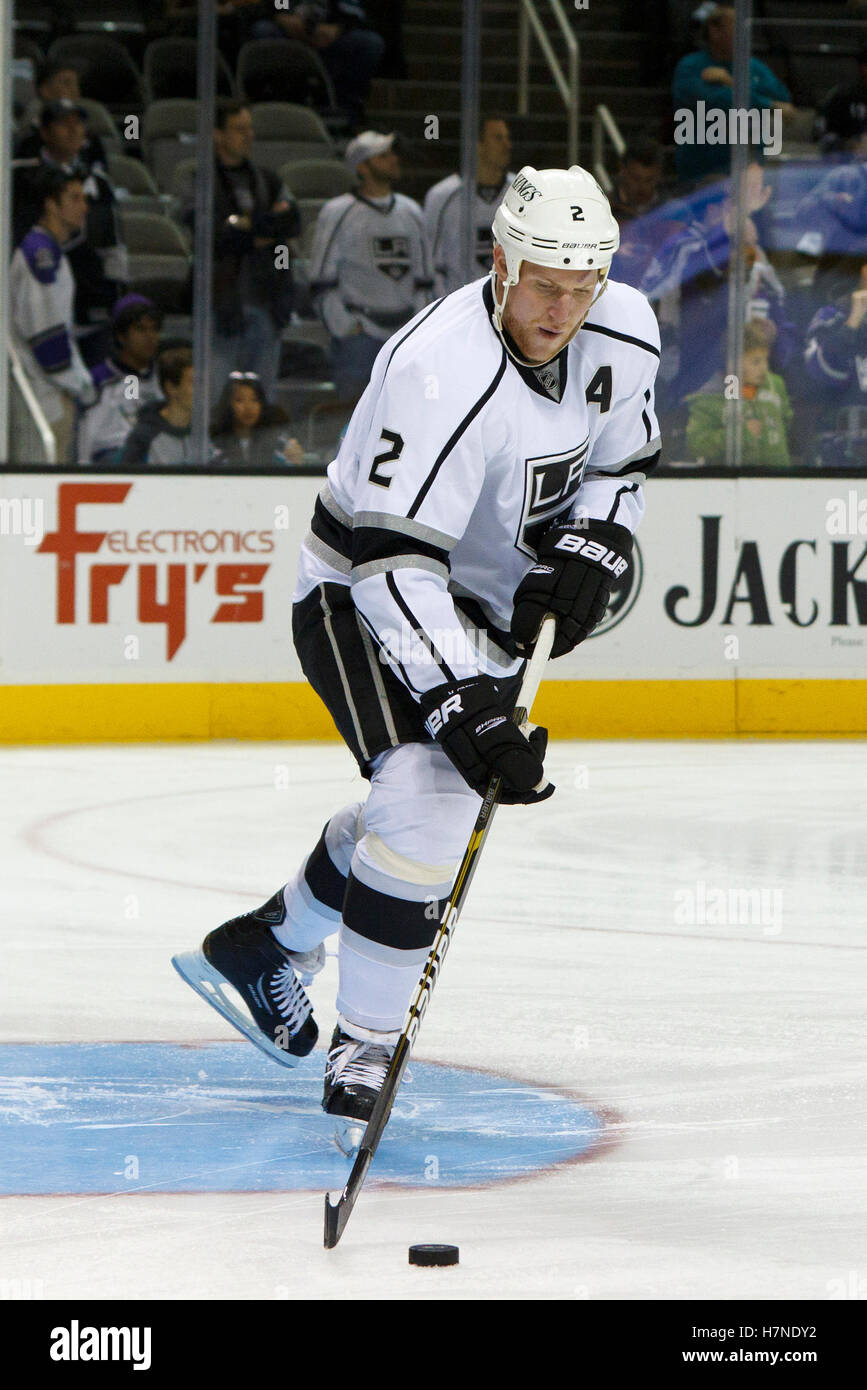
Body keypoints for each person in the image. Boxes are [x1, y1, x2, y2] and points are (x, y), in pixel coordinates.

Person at [172, 164, 660, 1154]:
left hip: (478, 603)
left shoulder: (625, 327)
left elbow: (622, 466)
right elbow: (391, 567)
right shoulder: (435, 369)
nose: (562, 309)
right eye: (543, 284)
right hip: (358, 591)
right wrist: (462, 704)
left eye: (582, 286)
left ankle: (265, 944)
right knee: (432, 790)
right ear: (501, 262)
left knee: (418, 806)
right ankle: (363, 1050)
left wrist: (596, 542)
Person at [180, 100, 300, 401]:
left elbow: (292, 221)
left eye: (250, 129)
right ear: (218, 134)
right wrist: (262, 229)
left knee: (262, 401)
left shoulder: (268, 180)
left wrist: (245, 226)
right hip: (220, 307)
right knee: (216, 399)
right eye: (239, 129)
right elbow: (211, 235)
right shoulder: (199, 179)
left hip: (268, 303)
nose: (248, 135)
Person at [308, 130, 434, 404]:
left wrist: (418, 330)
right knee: (352, 417)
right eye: (383, 156)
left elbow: (425, 280)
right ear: (362, 167)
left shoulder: (411, 211)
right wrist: (346, 327)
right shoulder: (338, 212)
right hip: (360, 338)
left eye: (392, 154)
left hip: (404, 337)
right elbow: (320, 281)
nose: (393, 160)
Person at [12, 97, 128, 362]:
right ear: (45, 132)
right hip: (35, 303)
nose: (74, 130)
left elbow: (113, 247)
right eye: (64, 124)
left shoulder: (99, 182)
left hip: (89, 306)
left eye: (78, 124)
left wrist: (117, 295)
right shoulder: (17, 175)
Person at [10, 168, 96, 464]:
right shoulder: (40, 253)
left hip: (49, 392)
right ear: (50, 204)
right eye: (74, 198)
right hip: (45, 397)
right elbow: (45, 335)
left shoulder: (51, 250)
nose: (84, 207)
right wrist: (76, 384)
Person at [671, 2, 794, 185]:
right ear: (714, 32)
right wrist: (769, 105)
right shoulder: (690, 67)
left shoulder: (753, 66)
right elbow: (718, 100)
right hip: (702, 172)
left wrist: (730, 82)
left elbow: (783, 97)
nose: (745, 35)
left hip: (749, 173)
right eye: (737, 28)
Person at [248, 1, 385, 132]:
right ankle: (277, 103)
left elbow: (353, 12)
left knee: (370, 43)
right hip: (288, 36)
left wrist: (338, 28)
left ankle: (345, 109)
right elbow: (278, 4)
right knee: (263, 30)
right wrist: (283, 17)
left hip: (330, 39)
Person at [423, 114, 514, 297]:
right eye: (498, 138)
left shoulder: (520, 191)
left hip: (509, 304)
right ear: (478, 145)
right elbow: (430, 263)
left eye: (508, 138)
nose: (507, 145)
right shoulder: (442, 196)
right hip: (459, 304)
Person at [685, 317, 792, 466]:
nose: (763, 368)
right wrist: (740, 434)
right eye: (755, 362)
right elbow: (697, 444)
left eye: (765, 360)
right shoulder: (710, 396)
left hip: (777, 476)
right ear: (732, 362)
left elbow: (786, 422)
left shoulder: (775, 385)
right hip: (732, 477)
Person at [78, 294, 165, 466]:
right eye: (141, 329)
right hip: (110, 463)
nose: (150, 337)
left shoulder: (165, 376)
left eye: (154, 329)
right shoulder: (98, 380)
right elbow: (85, 434)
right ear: (121, 336)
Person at [803, 259, 867, 465]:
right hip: (840, 452)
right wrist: (852, 324)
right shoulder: (831, 316)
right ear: (864, 272)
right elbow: (819, 373)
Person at [120, 346, 204, 467]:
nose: (202, 389)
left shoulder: (205, 430)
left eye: (202, 382)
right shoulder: (144, 437)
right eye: (193, 382)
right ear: (171, 388)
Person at [211, 371, 305, 468]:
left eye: (254, 400)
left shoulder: (277, 441)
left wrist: (295, 459)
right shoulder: (215, 443)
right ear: (228, 405)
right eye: (239, 400)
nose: (248, 407)